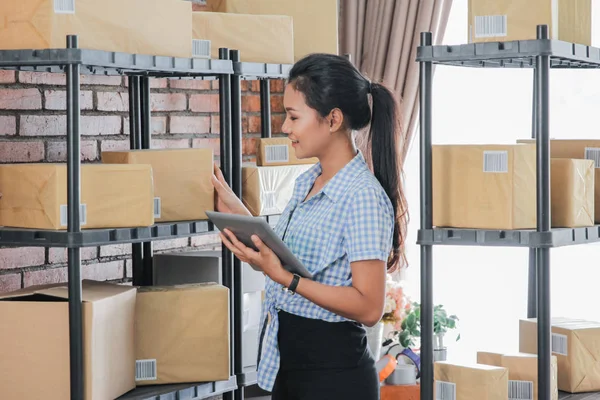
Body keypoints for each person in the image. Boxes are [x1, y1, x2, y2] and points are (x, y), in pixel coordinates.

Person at [211, 53, 408, 400]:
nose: (285, 127)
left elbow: (369, 307)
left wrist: (285, 279)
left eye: (293, 116)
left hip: (334, 380)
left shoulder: (361, 197)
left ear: (332, 119)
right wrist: (234, 206)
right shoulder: (308, 181)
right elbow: (285, 254)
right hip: (291, 370)